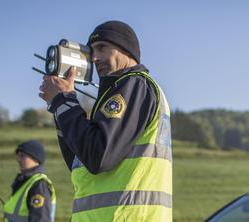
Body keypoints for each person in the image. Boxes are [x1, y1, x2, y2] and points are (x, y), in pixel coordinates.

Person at [39, 20, 172, 221]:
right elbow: (80, 162)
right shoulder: (116, 93)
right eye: (91, 51)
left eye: (102, 48)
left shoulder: (134, 85)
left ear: (127, 51)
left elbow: (98, 156)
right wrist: (63, 107)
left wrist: (63, 101)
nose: (95, 58)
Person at [3, 140, 56, 222]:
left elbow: (40, 219)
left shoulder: (39, 184)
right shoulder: (26, 182)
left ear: (35, 158)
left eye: (22, 156)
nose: (18, 160)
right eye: (18, 156)